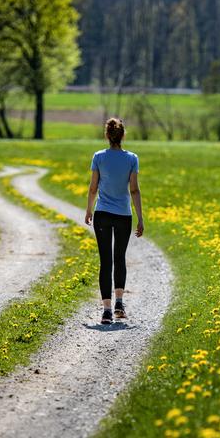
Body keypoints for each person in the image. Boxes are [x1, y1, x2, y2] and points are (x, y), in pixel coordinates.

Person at [85, 117, 144, 325]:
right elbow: (134, 190)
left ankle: (107, 311)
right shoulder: (132, 159)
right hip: (123, 216)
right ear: (122, 135)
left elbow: (93, 188)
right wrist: (140, 218)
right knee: (119, 258)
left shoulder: (98, 157)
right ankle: (120, 304)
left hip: (102, 214)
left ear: (107, 135)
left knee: (105, 261)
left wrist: (88, 210)